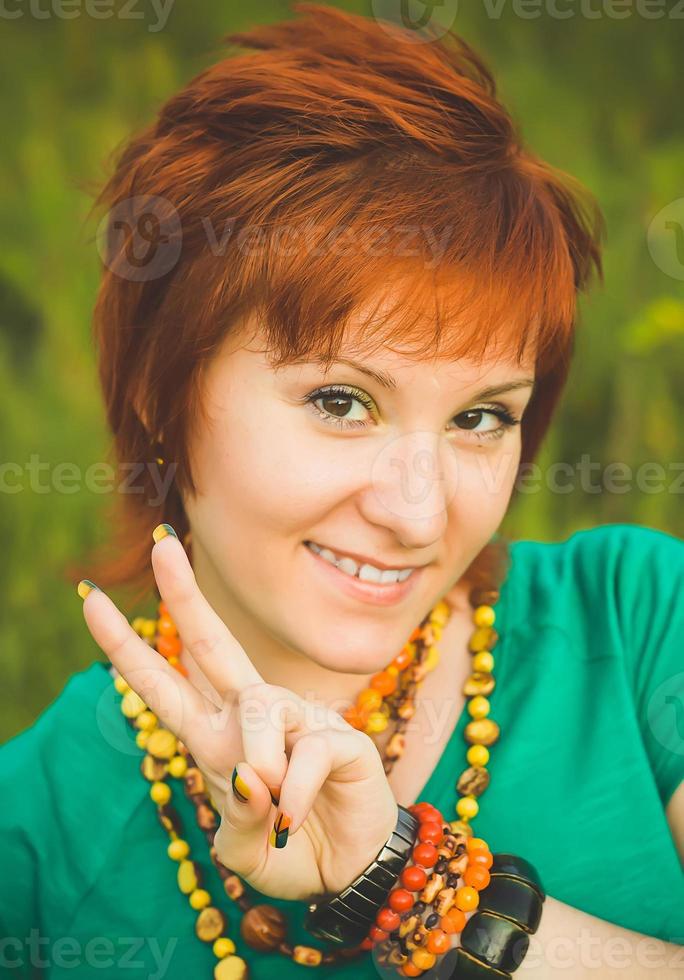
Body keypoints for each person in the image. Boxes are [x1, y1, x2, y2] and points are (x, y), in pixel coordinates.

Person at [1, 4, 683, 979]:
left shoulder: (639, 624)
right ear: (162, 389)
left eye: (482, 416)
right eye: (340, 399)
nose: (418, 510)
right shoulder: (32, 833)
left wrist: (406, 881)